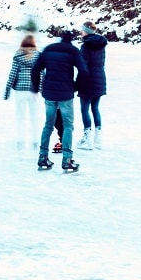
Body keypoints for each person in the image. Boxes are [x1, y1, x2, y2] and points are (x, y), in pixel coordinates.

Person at [31, 29, 88, 172]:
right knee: (68, 125)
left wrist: (37, 87)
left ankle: (42, 157)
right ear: (71, 40)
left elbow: (35, 69)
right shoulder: (73, 51)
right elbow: (84, 71)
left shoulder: (49, 49)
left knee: (48, 125)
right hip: (65, 95)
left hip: (49, 93)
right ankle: (67, 159)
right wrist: (76, 86)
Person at [4, 34, 41, 149]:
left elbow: (12, 74)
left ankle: (21, 141)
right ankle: (35, 141)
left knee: (20, 117)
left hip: (20, 91)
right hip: (33, 91)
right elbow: (42, 74)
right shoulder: (38, 56)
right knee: (34, 117)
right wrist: (41, 89)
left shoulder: (18, 55)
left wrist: (7, 91)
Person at [77, 22, 108, 150]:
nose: (80, 32)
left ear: (86, 32)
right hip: (100, 78)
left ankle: (88, 138)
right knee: (95, 108)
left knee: (85, 109)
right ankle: (98, 139)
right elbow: (102, 63)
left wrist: (78, 82)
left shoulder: (85, 46)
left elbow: (82, 66)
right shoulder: (102, 45)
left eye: (82, 30)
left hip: (87, 80)